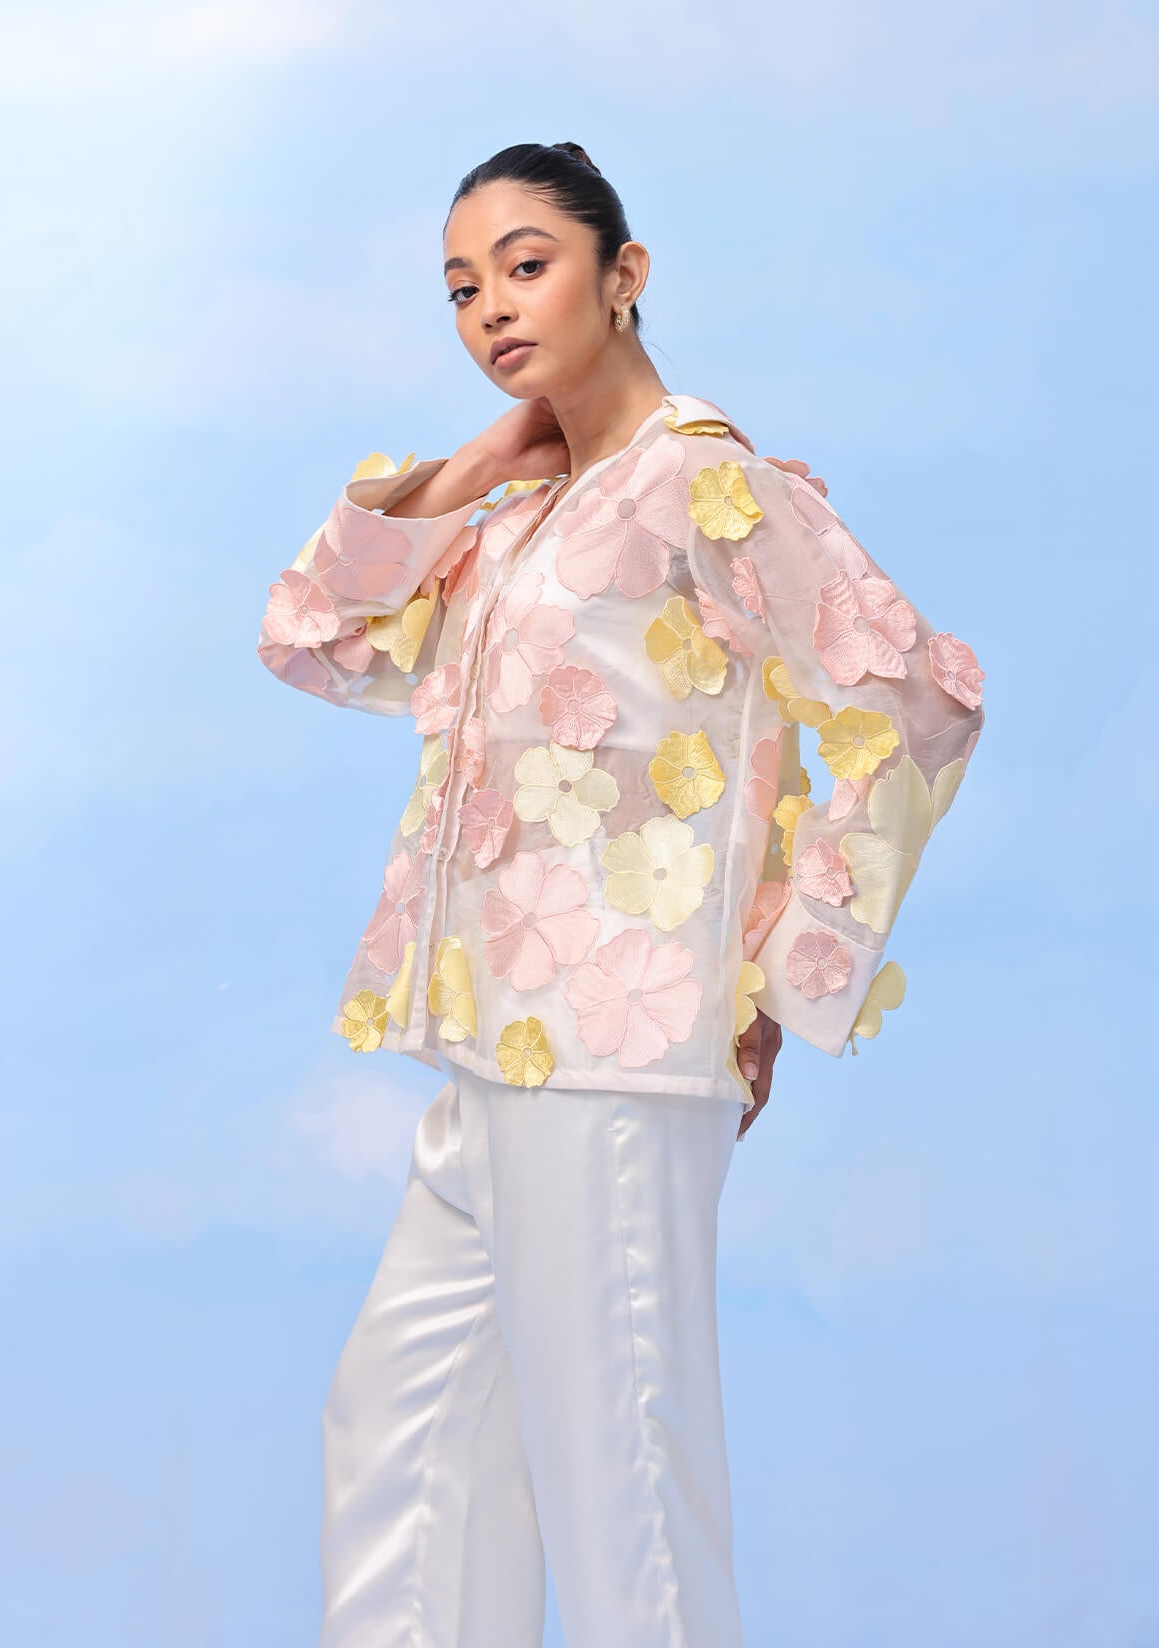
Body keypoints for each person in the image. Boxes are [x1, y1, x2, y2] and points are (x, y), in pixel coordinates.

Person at [257, 141, 987, 1648]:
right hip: (488, 1049)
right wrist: (472, 470)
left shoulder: (704, 483)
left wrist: (781, 971)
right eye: (462, 287)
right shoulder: (522, 519)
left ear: (625, 275)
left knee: (623, 1498)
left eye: (527, 266)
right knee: (403, 1443)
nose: (491, 307)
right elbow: (313, 640)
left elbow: (918, 697)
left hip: (611, 1059)